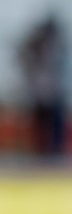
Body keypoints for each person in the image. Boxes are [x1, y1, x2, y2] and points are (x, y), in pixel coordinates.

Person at [18, 16, 67, 158]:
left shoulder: (58, 47)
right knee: (40, 126)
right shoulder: (35, 46)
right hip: (40, 92)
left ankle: (54, 151)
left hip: (53, 92)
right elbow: (23, 58)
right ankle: (41, 151)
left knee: (54, 126)